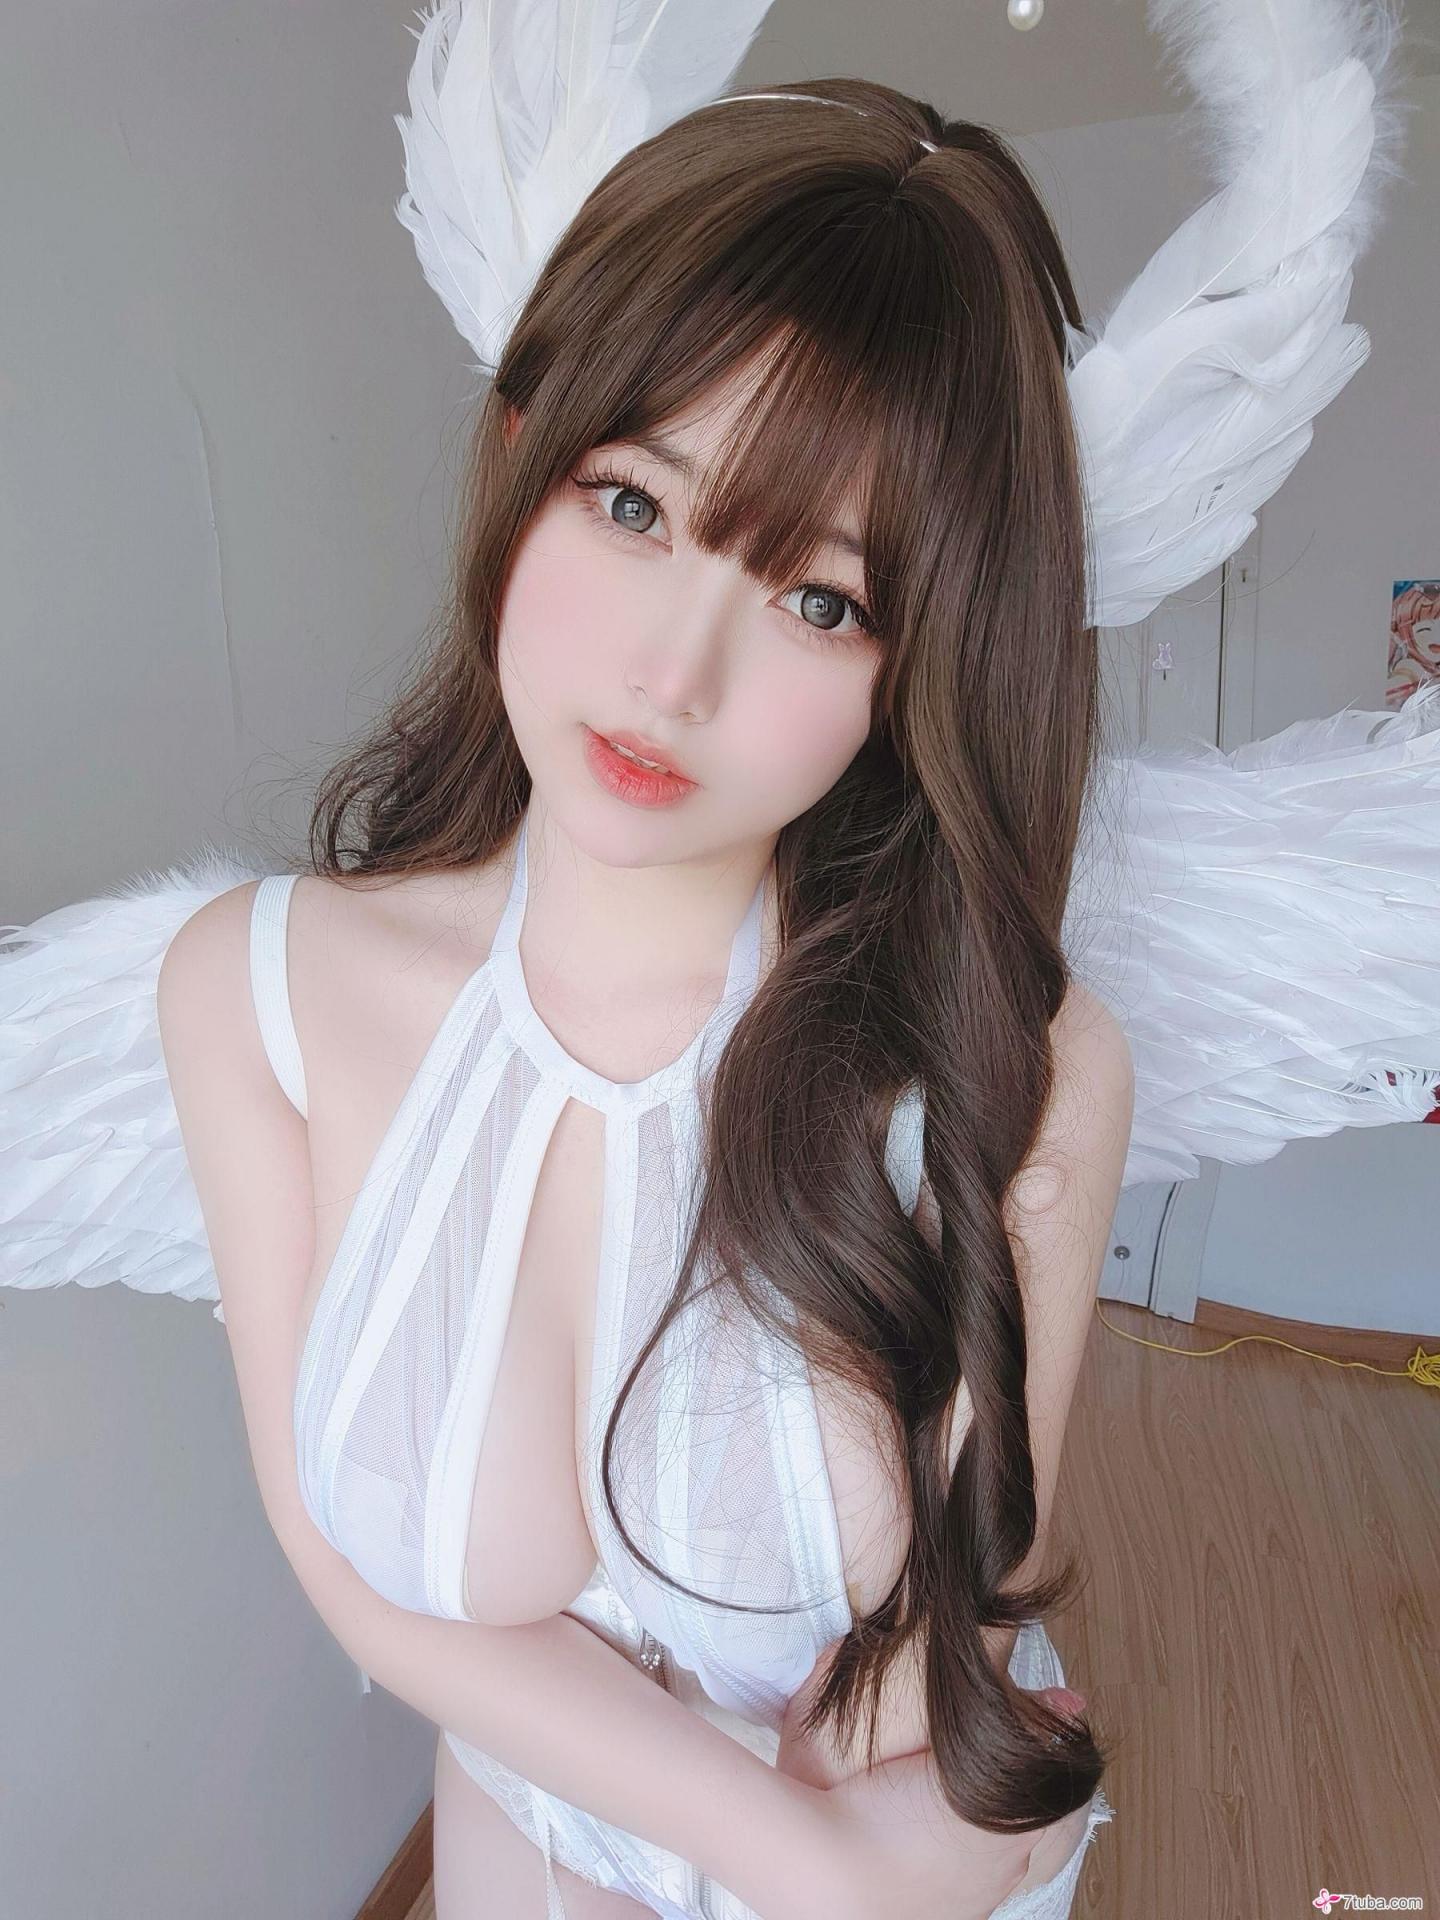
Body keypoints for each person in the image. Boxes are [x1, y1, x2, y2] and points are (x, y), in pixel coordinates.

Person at [4, 5, 1434, 1918]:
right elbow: (355, 1573)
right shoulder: (247, 997)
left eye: (821, 598)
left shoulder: (1016, 1062)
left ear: (919, 664)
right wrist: (802, 1855)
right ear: (522, 458)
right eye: (634, 505)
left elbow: (951, 1636)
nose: (670, 676)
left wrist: (858, 1867)